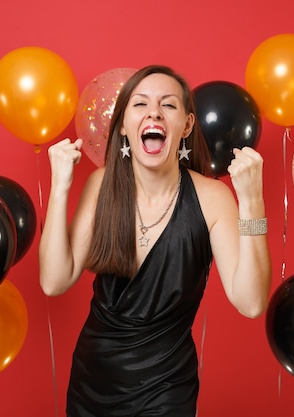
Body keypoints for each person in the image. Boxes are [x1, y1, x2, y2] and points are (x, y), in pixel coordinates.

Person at [39, 64, 271, 416]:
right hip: (93, 379)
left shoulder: (212, 198)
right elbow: (54, 281)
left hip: (167, 385)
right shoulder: (101, 185)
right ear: (122, 125)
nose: (154, 113)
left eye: (169, 105)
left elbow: (251, 302)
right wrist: (60, 187)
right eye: (140, 104)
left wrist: (253, 204)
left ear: (187, 125)